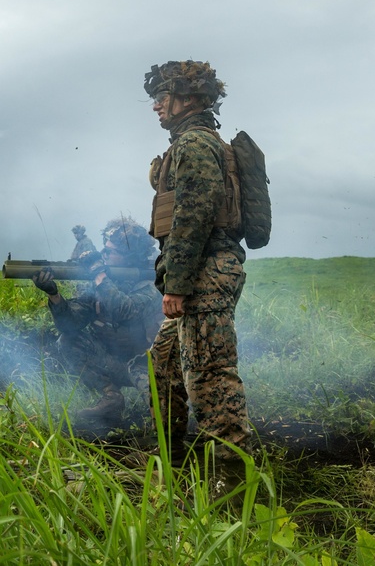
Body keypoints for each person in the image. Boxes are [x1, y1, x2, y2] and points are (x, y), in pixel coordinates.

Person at [144, 60, 251, 456]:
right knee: (166, 360)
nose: (156, 105)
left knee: (212, 383)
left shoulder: (194, 144)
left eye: (162, 97)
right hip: (202, 274)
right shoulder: (192, 142)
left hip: (205, 275)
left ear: (185, 99)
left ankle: (231, 489)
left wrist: (176, 285)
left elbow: (194, 215)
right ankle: (171, 461)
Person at [32, 217, 163, 433]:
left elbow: (125, 310)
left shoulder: (150, 286)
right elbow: (70, 325)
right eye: (105, 249)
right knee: (69, 340)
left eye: (111, 251)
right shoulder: (101, 283)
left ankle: (171, 425)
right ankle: (111, 397)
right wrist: (53, 294)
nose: (104, 254)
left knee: (165, 414)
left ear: (130, 258)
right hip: (115, 362)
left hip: (148, 366)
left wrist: (99, 274)